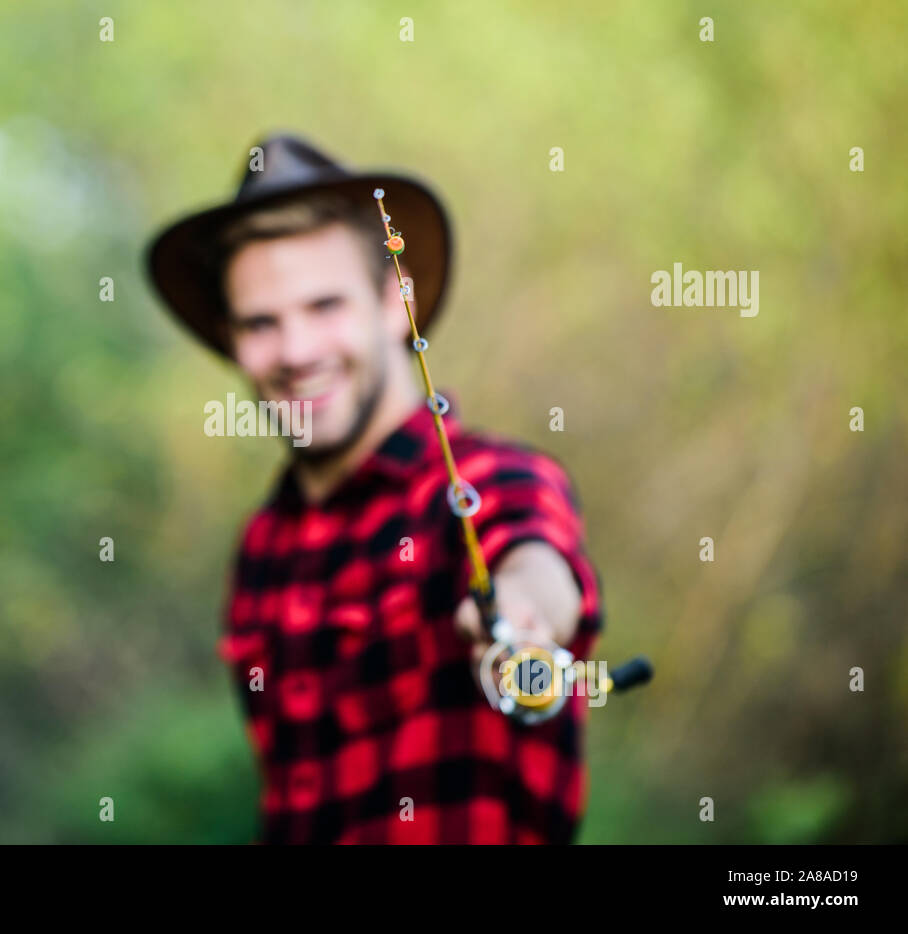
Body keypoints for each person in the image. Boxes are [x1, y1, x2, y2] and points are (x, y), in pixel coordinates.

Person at [145, 134, 604, 844]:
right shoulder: (263, 546)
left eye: (325, 306)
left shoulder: (494, 478)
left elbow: (536, 561)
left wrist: (520, 620)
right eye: (262, 323)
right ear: (232, 342)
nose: (296, 351)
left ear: (396, 306)